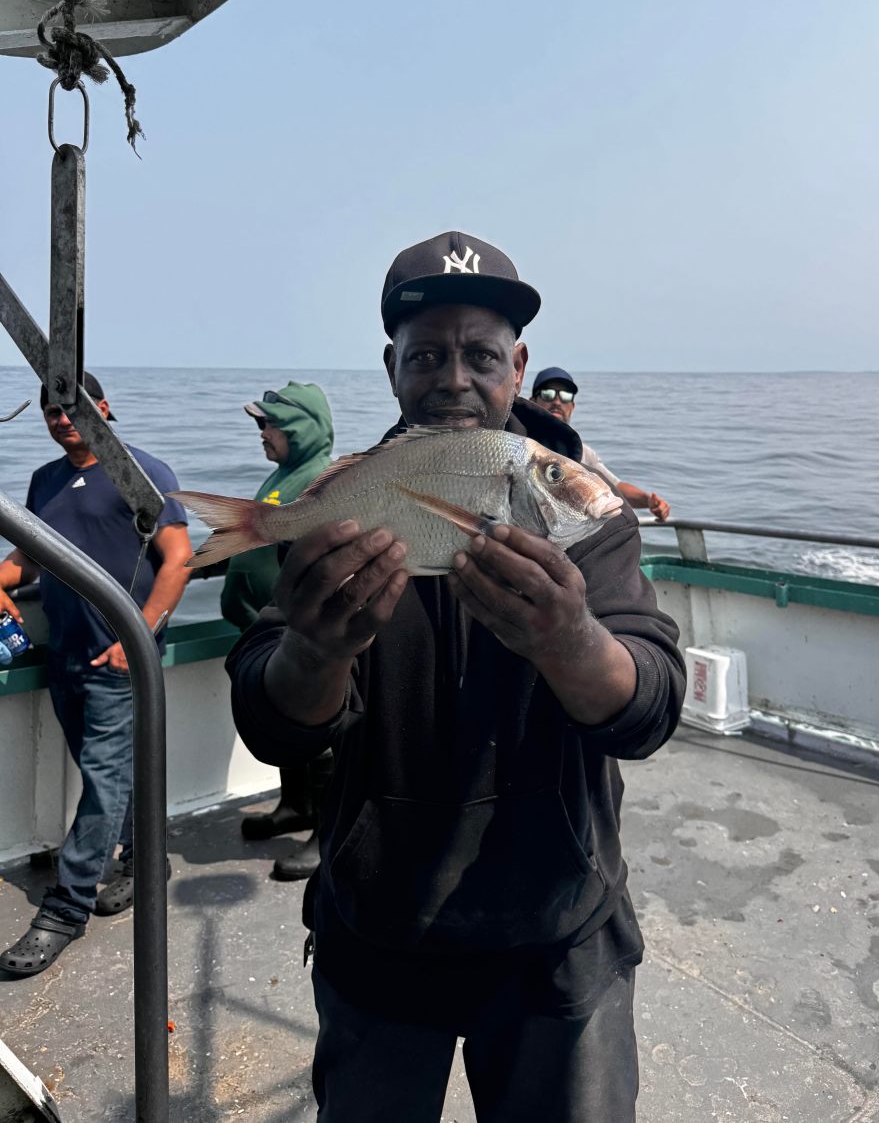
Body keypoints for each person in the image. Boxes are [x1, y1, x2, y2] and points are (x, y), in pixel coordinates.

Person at [226, 231, 686, 1122]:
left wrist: (570, 641)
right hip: (381, 932)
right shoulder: (348, 499)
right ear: (392, 366)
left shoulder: (579, 510)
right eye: (427, 354)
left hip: (560, 938)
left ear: (516, 366)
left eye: (480, 355)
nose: (454, 378)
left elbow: (651, 703)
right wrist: (317, 652)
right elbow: (273, 719)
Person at [0, 373, 191, 976]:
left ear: (103, 408)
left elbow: (179, 558)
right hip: (67, 656)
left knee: (104, 779)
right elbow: (27, 560)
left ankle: (65, 909)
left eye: (73, 407)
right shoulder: (43, 483)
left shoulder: (142, 472)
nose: (62, 418)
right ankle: (143, 858)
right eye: (52, 411)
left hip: (118, 660)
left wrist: (142, 632)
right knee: (104, 771)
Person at [221, 382, 336, 880]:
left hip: (301, 638)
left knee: (322, 739)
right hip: (259, 630)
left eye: (269, 424)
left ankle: (328, 835)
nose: (262, 433)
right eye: (258, 423)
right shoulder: (283, 476)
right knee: (282, 725)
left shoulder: (321, 482)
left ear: (300, 429)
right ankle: (296, 806)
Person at [530, 366, 671, 521]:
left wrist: (648, 500)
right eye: (548, 394)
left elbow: (614, 487)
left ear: (572, 407)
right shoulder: (520, 444)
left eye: (565, 396)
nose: (557, 401)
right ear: (532, 401)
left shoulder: (584, 453)